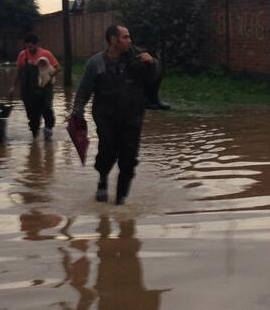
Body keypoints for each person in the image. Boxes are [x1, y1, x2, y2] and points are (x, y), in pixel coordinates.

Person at [71, 25, 159, 205]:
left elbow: (153, 82)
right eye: (125, 37)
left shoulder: (137, 61)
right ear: (113, 40)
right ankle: (103, 180)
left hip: (132, 118)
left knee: (129, 160)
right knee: (108, 151)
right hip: (106, 118)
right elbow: (84, 90)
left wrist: (153, 64)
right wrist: (77, 112)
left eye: (129, 37)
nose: (130, 40)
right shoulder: (96, 63)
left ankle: (121, 201)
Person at [10, 34, 60, 140]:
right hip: (28, 89)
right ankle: (34, 134)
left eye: (31, 47)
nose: (29, 49)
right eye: (27, 47)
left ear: (37, 44)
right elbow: (18, 71)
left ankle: (48, 129)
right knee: (32, 113)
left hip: (45, 87)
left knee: (47, 108)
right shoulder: (22, 55)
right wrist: (13, 86)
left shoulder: (46, 54)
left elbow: (58, 68)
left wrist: (49, 77)